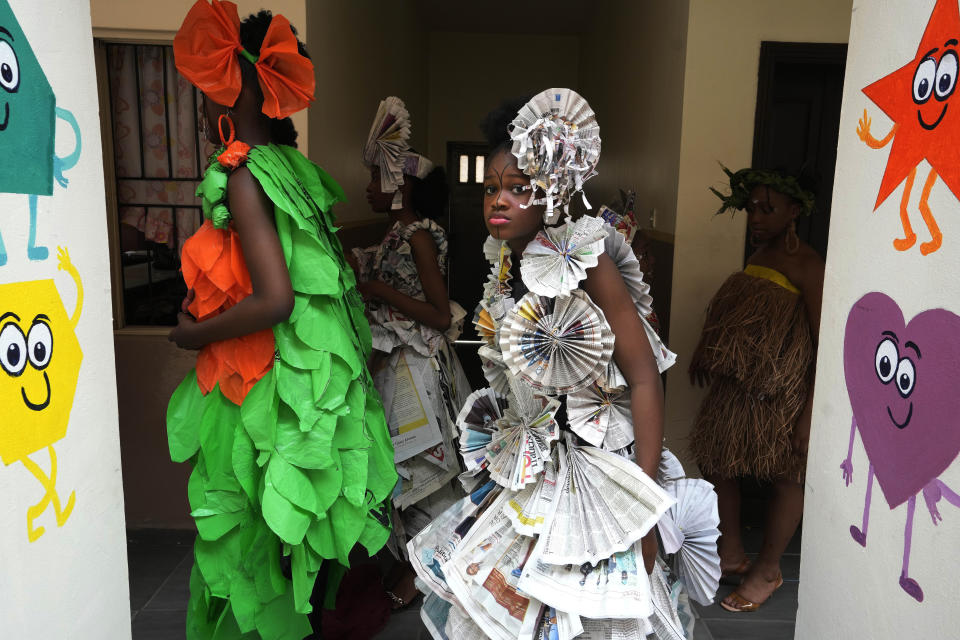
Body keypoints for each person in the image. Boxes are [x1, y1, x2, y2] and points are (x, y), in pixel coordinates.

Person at [408, 90, 700, 639]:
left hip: (590, 473)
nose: (500, 199)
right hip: (532, 470)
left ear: (554, 191)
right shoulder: (504, 263)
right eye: (492, 187)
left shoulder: (586, 262)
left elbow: (643, 376)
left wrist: (643, 497)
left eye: (519, 188)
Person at [165, 2, 396, 638]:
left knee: (256, 550)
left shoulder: (244, 176)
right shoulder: (292, 171)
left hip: (269, 391)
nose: (201, 87)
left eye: (211, 76)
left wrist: (191, 334)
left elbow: (275, 300)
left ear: (235, 83)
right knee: (300, 549)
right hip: (314, 392)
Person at [350, 96, 471, 610]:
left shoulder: (419, 236)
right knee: (403, 470)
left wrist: (379, 291)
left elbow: (440, 315)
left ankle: (429, 569)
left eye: (377, 178)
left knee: (425, 468)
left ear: (401, 184)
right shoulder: (398, 232)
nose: (369, 187)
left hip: (416, 366)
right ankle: (413, 564)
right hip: (395, 362)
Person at [689, 166, 824, 613]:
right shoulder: (760, 254)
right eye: (752, 208)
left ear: (795, 211)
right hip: (741, 389)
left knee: (788, 473)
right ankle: (732, 551)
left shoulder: (810, 266)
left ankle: (767, 569)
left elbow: (822, 342)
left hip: (783, 393)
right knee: (717, 456)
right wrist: (706, 354)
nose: (757, 217)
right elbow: (743, 322)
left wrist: (807, 414)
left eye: (768, 209)